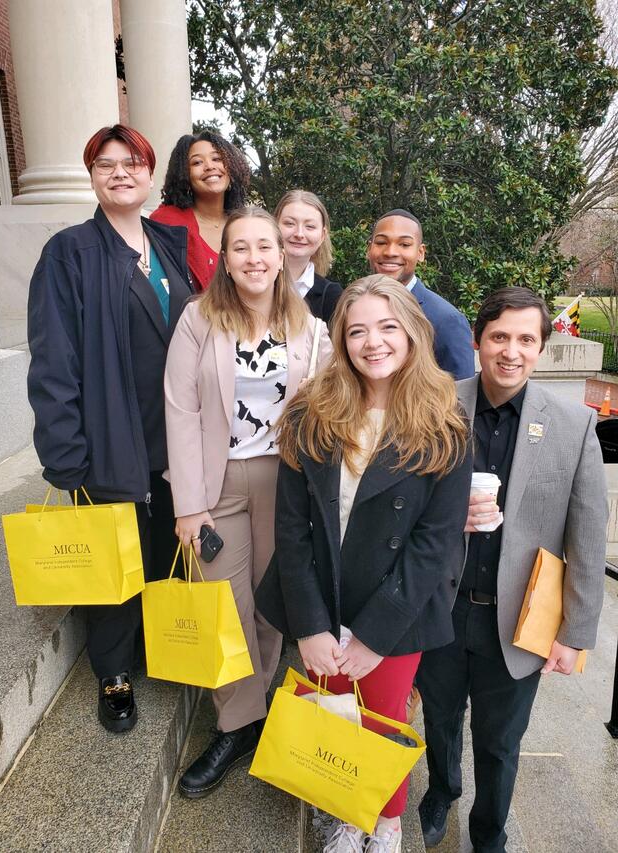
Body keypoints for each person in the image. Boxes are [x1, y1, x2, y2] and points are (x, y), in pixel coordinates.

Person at [256, 274, 473, 853]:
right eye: (357, 331)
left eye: (386, 327)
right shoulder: (313, 412)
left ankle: (387, 824)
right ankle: (345, 812)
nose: (372, 342)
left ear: (412, 334)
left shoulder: (445, 423)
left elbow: (436, 542)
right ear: (341, 340)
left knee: (382, 721)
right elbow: (291, 529)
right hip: (322, 600)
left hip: (396, 611)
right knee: (332, 717)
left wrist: (375, 637)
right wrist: (308, 624)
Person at [416, 287, 608, 853]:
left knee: (500, 741)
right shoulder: (434, 404)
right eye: (499, 336)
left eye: (526, 339)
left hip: (518, 621)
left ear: (542, 348)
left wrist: (574, 635)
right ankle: (441, 793)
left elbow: (589, 536)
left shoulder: (574, 426)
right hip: (442, 609)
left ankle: (489, 831)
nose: (511, 351)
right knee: (441, 719)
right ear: (477, 342)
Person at [27, 124, 193, 732]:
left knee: (167, 546)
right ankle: (115, 671)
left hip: (173, 435)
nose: (120, 172)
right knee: (113, 561)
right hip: (106, 435)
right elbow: (53, 361)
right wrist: (65, 452)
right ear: (92, 175)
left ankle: (163, 645)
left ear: (150, 175)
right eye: (106, 163)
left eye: (132, 162)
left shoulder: (169, 245)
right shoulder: (70, 252)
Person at [164, 206, 332, 799]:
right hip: (216, 483)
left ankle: (257, 711)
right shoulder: (198, 320)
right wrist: (189, 505)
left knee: (268, 602)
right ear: (226, 260)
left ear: (282, 254)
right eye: (242, 248)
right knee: (224, 601)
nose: (255, 258)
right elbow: (180, 412)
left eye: (265, 246)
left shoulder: (310, 329)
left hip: (285, 484)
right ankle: (236, 723)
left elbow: (331, 410)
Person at [366, 209, 474, 380]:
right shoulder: (355, 308)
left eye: (404, 245)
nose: (390, 252)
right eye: (381, 242)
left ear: (420, 253)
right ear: (369, 249)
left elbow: (461, 396)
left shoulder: (446, 320)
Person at [150, 130, 250, 290]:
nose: (210, 166)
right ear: (184, 174)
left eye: (217, 159)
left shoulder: (246, 223)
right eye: (197, 163)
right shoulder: (167, 224)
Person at [274, 189, 343, 323]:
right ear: (274, 226)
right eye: (289, 223)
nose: (299, 234)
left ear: (322, 235)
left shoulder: (331, 296)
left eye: (310, 226)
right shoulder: (253, 284)